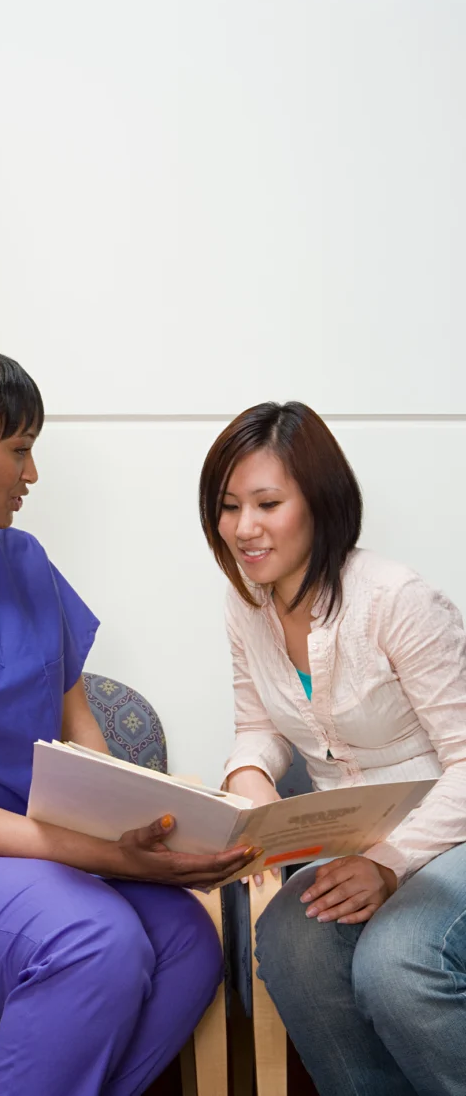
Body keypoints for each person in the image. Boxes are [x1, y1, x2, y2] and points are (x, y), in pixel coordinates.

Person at [0, 299, 252, 1096]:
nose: (33, 475)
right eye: (22, 449)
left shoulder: (22, 560)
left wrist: (153, 825)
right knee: (94, 938)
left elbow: (83, 736)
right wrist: (105, 857)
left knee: (187, 944)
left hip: (30, 858)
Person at [199, 401, 466, 1096]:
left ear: (318, 501)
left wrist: (388, 862)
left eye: (267, 502)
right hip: (354, 836)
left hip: (449, 831)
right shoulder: (245, 603)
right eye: (229, 506)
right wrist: (251, 780)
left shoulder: (396, 600)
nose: (243, 528)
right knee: (289, 943)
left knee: (397, 965)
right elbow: (256, 723)